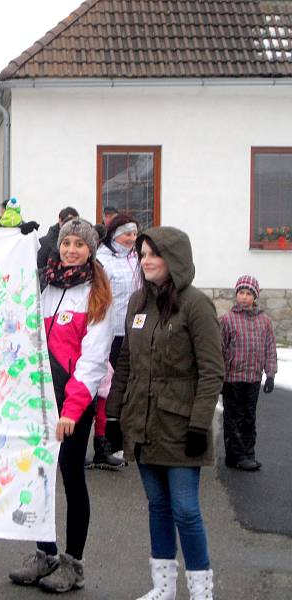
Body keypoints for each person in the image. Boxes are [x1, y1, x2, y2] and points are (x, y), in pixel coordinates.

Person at [106, 227, 223, 600]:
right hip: (141, 423)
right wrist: (112, 414)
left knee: (186, 511)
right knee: (157, 507)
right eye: (142, 255)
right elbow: (125, 360)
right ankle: (164, 588)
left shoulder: (196, 305)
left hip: (181, 425)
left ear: (174, 259)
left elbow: (212, 371)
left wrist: (200, 424)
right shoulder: (138, 301)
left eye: (153, 254)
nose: (146, 261)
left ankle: (202, 591)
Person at [10, 218, 114, 594]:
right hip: (41, 399)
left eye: (79, 245)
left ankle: (74, 564)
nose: (71, 249)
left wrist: (71, 410)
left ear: (91, 250)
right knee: (39, 476)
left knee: (71, 476)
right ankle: (45, 554)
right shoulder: (48, 283)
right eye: (66, 242)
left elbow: (93, 360)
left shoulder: (96, 293)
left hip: (74, 401)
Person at [91, 214, 141, 467]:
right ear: (113, 234)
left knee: (124, 386)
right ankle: (102, 442)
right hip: (108, 331)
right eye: (126, 233)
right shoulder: (102, 259)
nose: (132, 238)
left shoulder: (138, 258)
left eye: (134, 233)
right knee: (104, 388)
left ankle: (120, 443)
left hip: (132, 331)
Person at [219, 275, 277, 472]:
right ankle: (235, 456)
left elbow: (270, 348)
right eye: (241, 293)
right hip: (232, 378)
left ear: (255, 296)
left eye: (248, 294)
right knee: (233, 417)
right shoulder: (227, 320)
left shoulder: (264, 321)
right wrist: (219, 376)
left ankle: (248, 453)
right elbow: (219, 349)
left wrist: (270, 374)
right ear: (236, 295)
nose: (244, 297)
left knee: (249, 417)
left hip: (253, 378)